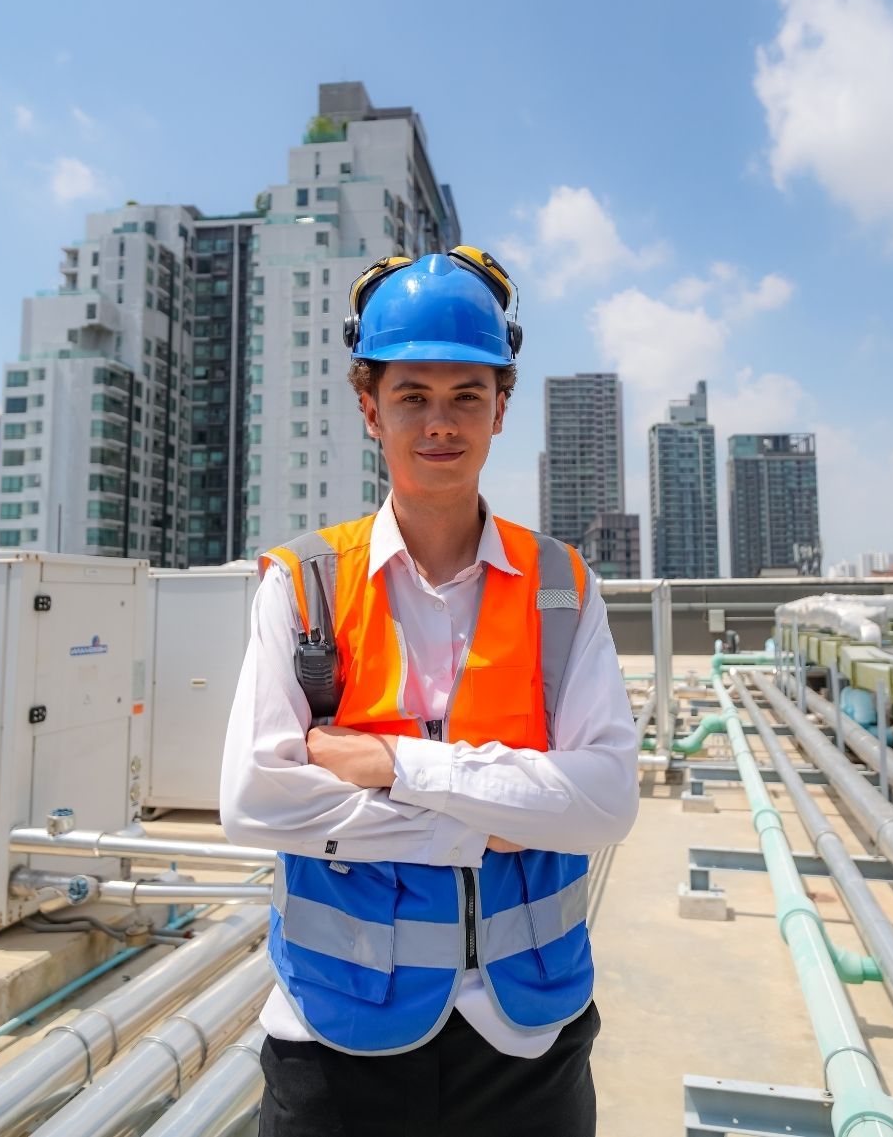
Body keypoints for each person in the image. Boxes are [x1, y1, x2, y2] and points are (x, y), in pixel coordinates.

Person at [220, 246, 640, 1136]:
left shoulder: (562, 588)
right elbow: (256, 800)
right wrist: (501, 809)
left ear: (501, 407)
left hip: (529, 1041)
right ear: (369, 406)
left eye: (466, 397)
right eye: (412, 395)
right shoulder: (306, 586)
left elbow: (604, 802)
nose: (439, 423)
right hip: (335, 1043)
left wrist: (390, 763)